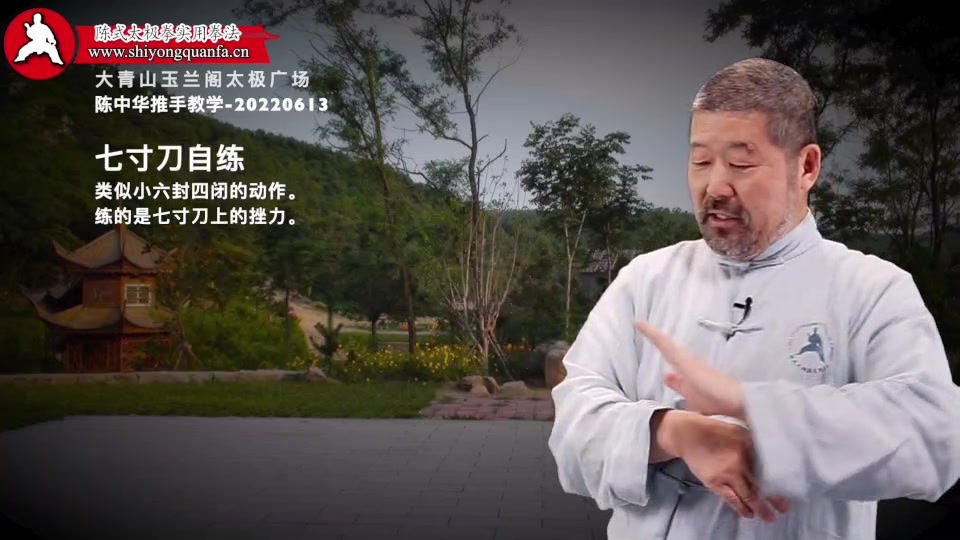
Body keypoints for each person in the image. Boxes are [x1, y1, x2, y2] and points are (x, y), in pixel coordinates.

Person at [547, 57, 960, 540]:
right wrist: (671, 431)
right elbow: (573, 428)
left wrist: (752, 407)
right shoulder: (646, 279)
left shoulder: (871, 289)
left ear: (806, 167)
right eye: (701, 161)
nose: (715, 186)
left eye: (741, 164)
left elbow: (936, 439)